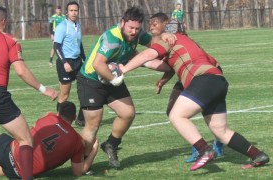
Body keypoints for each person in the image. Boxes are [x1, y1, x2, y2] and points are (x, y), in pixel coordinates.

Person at [120, 18, 270, 171]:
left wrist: (123, 70)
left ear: (169, 31)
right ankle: (258, 155)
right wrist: (154, 72)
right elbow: (165, 65)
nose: (155, 31)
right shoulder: (189, 42)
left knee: (176, 115)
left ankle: (204, 150)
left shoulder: (171, 39)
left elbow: (147, 55)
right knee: (220, 131)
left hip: (204, 80)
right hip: (217, 81)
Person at [77, 7, 176, 168]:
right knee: (93, 124)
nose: (134, 32)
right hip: (91, 80)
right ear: (122, 23)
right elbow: (97, 64)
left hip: (112, 77)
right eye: (131, 28)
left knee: (127, 113)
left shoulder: (138, 34)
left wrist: (163, 35)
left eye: (137, 28)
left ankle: (111, 145)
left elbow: (155, 45)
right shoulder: (112, 39)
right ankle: (82, 161)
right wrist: (114, 80)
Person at [0, 6, 58, 180]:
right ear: (4, 21)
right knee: (25, 140)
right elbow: (21, 71)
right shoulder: (9, 41)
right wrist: (44, 89)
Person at [148, 13, 224, 163]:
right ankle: (198, 147)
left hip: (206, 73)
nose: (151, 27)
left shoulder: (174, 35)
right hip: (188, 76)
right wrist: (163, 81)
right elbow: (171, 65)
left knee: (209, 113)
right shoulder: (163, 38)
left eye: (155, 24)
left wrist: (166, 34)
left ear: (165, 24)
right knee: (172, 110)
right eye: (150, 24)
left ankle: (216, 141)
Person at [0, 101, 98, 178]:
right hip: (21, 174)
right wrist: (93, 151)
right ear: (75, 117)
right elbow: (78, 172)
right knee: (13, 168)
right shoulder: (77, 141)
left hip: (10, 153)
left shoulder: (50, 117)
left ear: (58, 113)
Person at [54, 2, 86, 127]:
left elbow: (80, 44)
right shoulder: (62, 26)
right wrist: (65, 63)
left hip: (78, 62)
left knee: (85, 90)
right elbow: (56, 46)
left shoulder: (78, 25)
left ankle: (81, 119)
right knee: (64, 94)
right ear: (67, 12)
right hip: (65, 63)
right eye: (71, 10)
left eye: (76, 10)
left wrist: (85, 59)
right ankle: (58, 122)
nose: (74, 13)